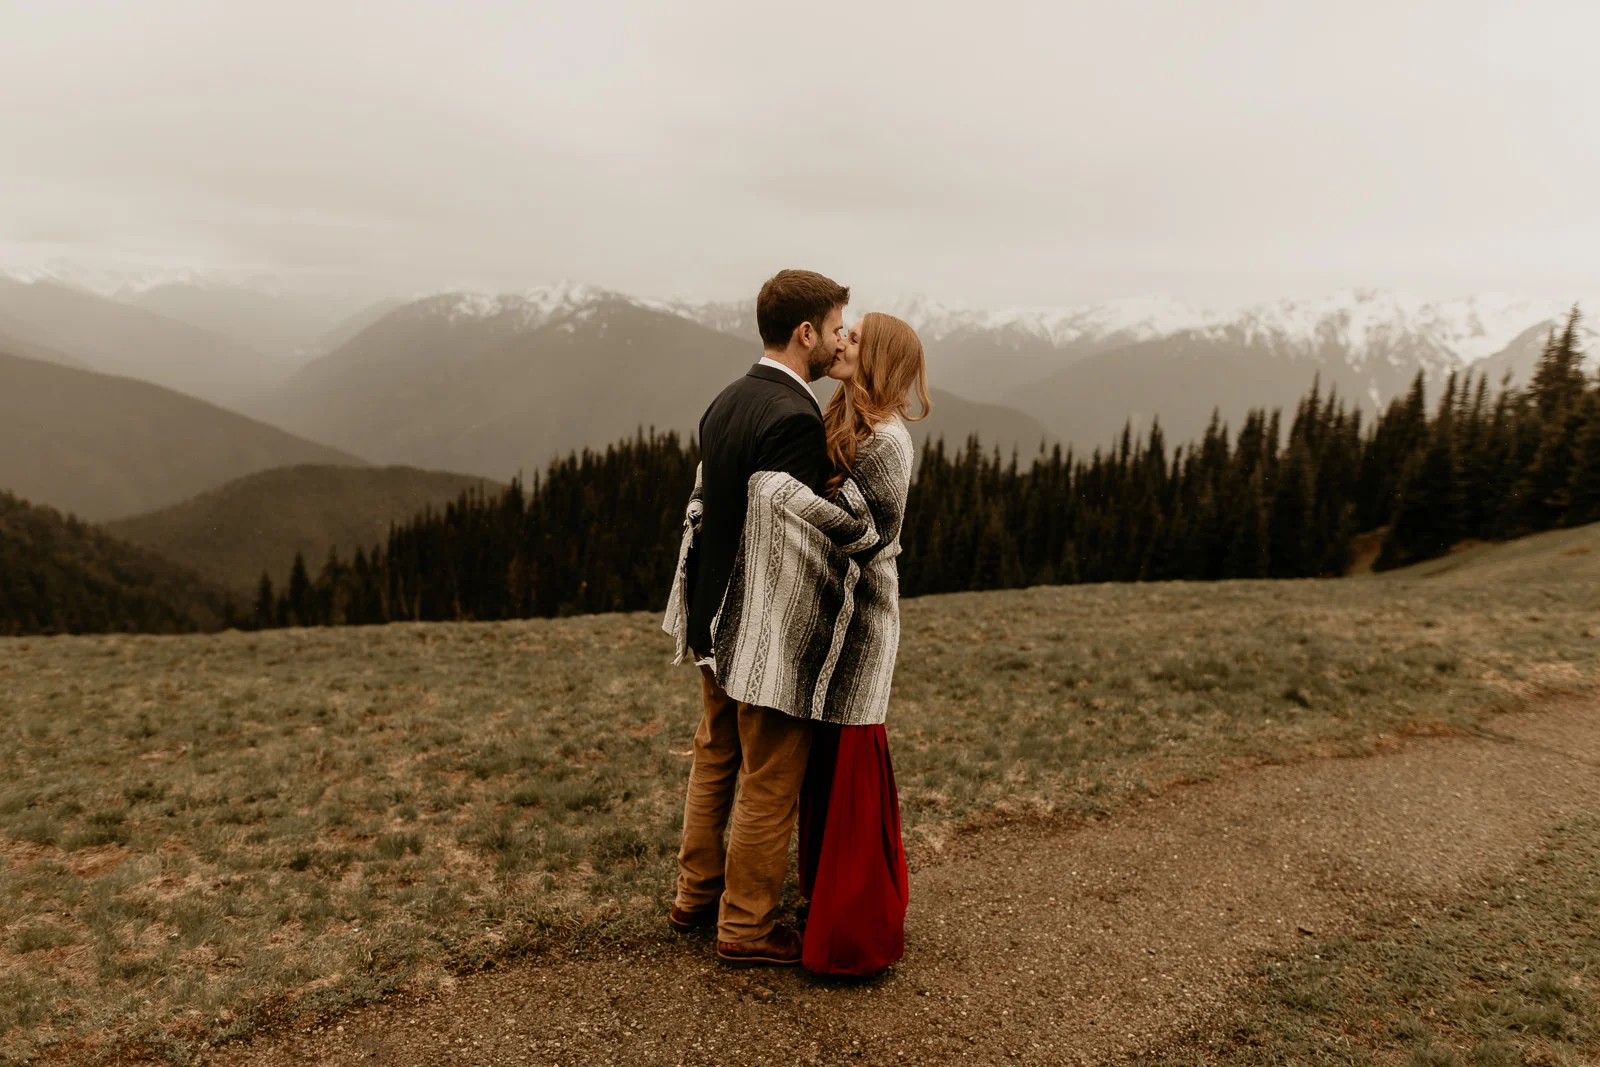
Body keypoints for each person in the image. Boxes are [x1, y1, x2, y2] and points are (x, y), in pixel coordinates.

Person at [662, 268, 849, 967]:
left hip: (711, 620)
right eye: (834, 330)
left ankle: (695, 893)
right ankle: (745, 923)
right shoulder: (796, 419)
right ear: (806, 333)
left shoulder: (727, 400)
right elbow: (789, 549)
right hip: (760, 630)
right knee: (770, 774)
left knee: (715, 758)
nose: (839, 343)